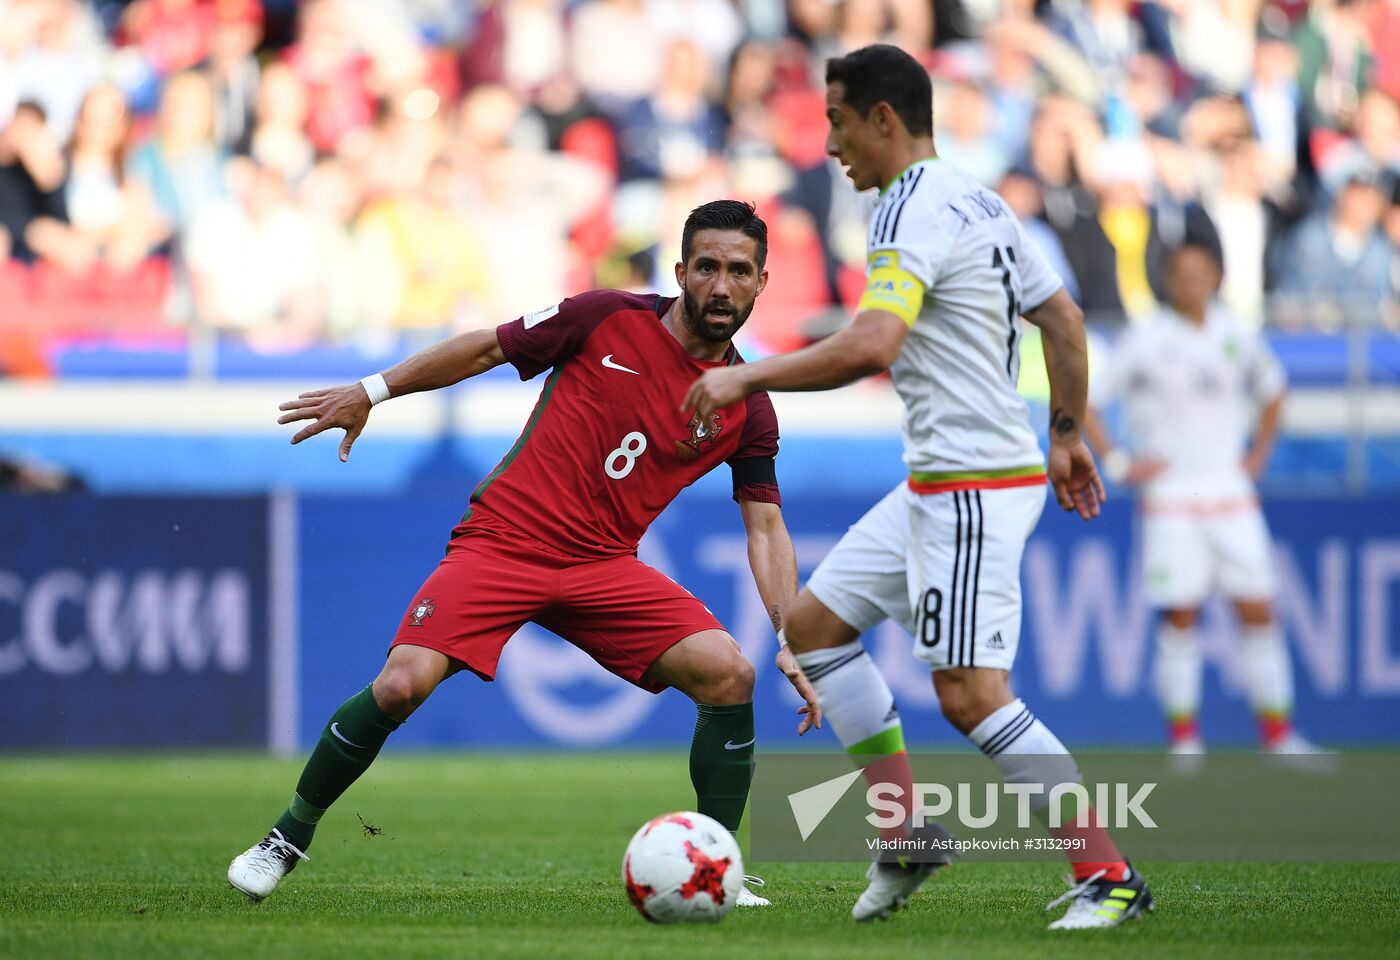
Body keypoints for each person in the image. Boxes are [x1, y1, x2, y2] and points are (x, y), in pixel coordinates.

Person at [227, 199, 820, 908]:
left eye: (739, 272)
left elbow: (765, 527)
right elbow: (484, 348)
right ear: (681, 272)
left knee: (730, 674)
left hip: (603, 565)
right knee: (399, 686)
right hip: (506, 541)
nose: (721, 286)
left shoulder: (746, 405)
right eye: (707, 268)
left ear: (761, 283)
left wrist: (790, 633)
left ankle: (717, 870)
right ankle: (286, 837)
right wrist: (372, 390)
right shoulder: (605, 317)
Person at [683, 44, 1152, 929]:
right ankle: (904, 836)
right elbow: (1063, 317)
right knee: (813, 629)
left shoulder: (907, 209)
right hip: (946, 475)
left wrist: (744, 378)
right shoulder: (981, 198)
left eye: (837, 121)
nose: (830, 144)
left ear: (883, 119)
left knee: (972, 693)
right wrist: (1064, 435)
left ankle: (1110, 876)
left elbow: (872, 346)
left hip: (972, 483)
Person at [1085, 240, 1327, 761]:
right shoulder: (1146, 339)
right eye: (1179, 273)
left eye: (1199, 273)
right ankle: (1184, 739)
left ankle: (1278, 735)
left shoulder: (1237, 335)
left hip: (1230, 495)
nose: (1189, 282)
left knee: (1258, 606)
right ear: (1167, 279)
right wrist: (1120, 462)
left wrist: (1258, 454)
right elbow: (1089, 400)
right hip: (1171, 497)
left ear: (1216, 277)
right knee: (1180, 614)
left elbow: (1274, 389)